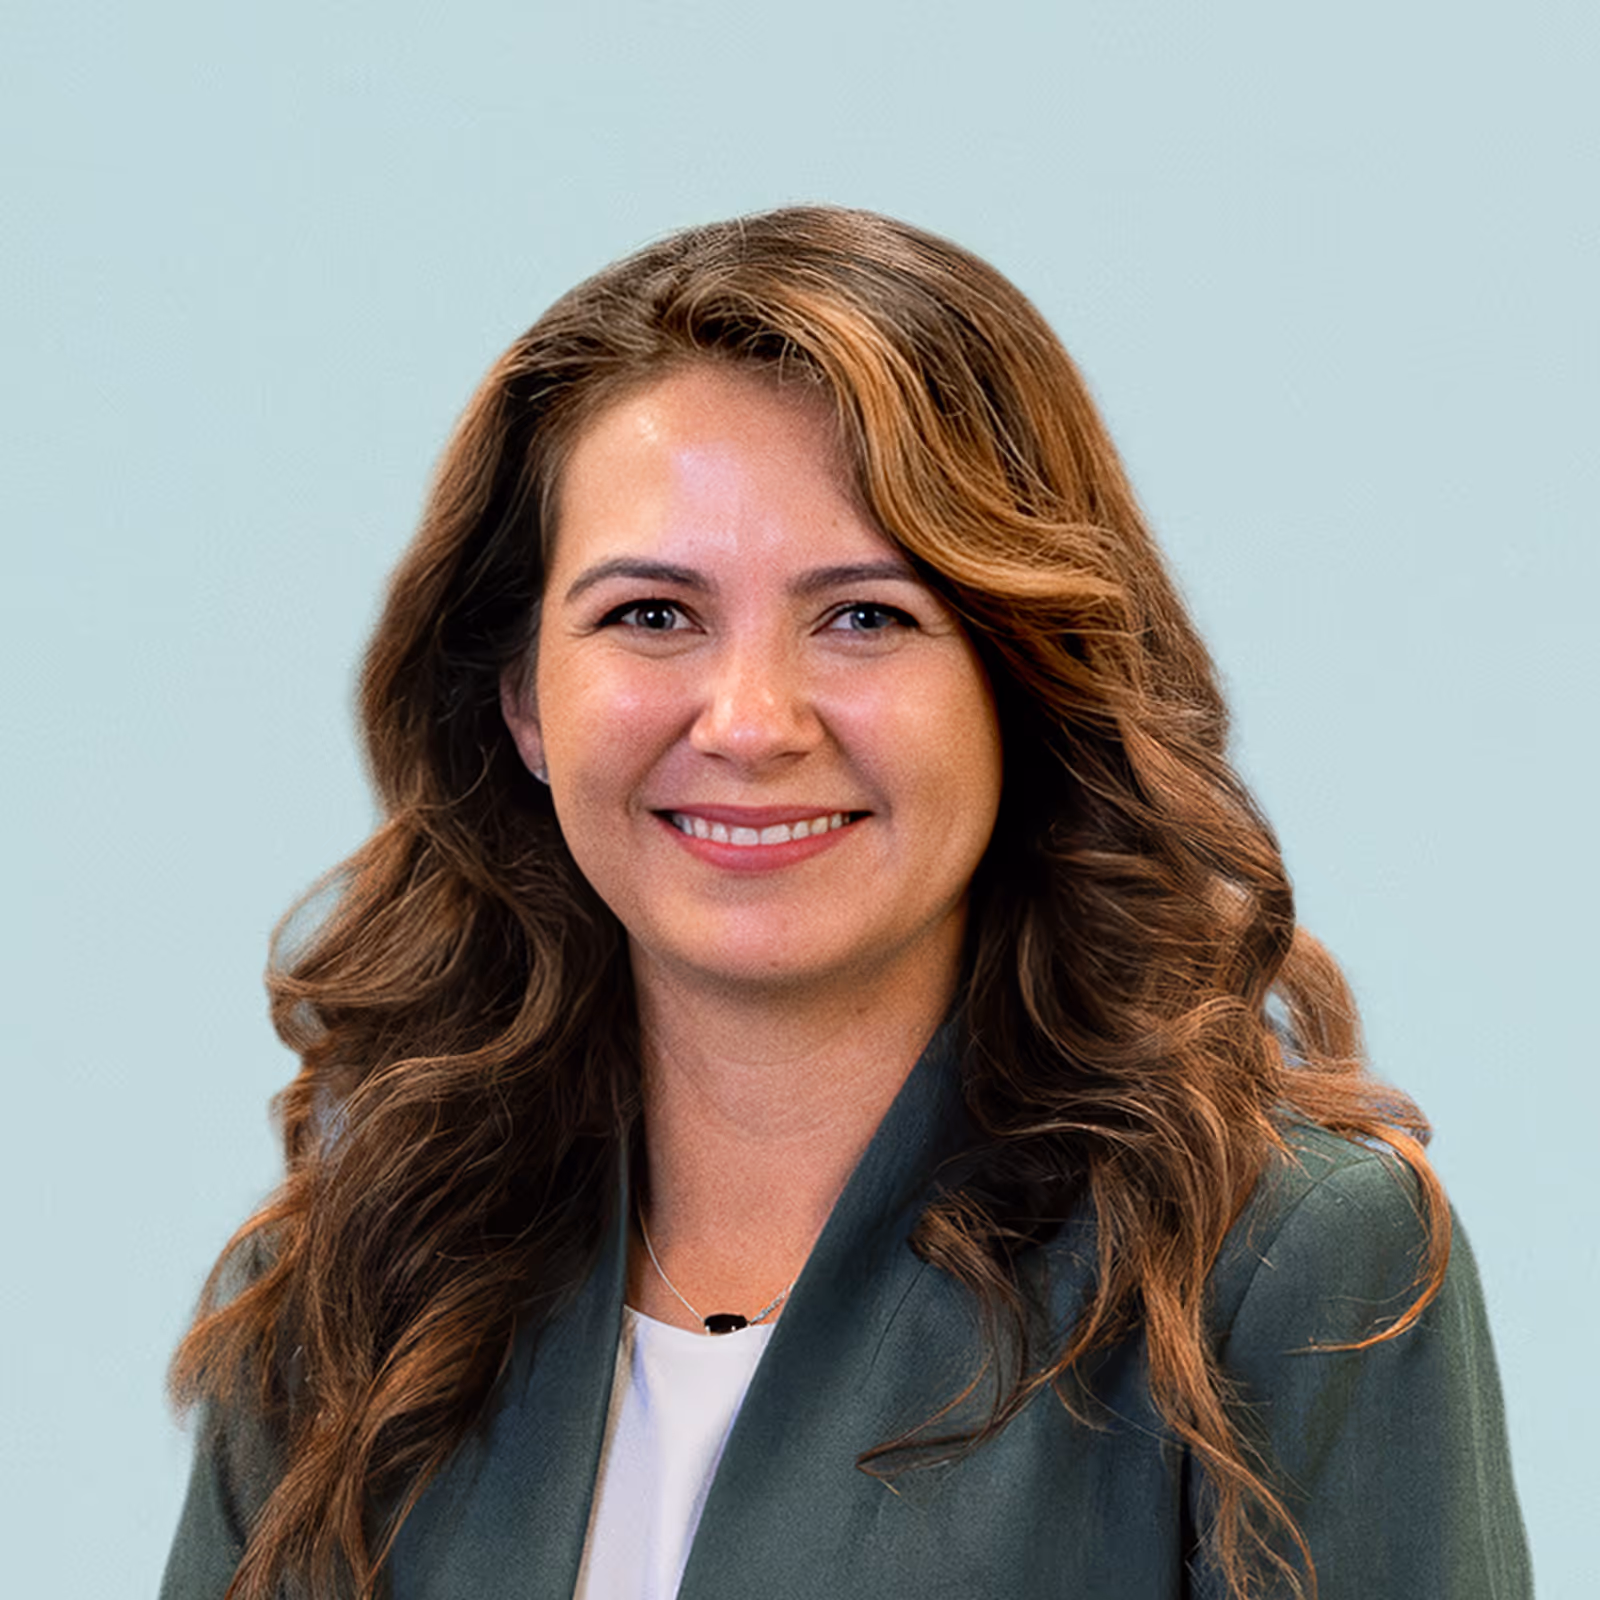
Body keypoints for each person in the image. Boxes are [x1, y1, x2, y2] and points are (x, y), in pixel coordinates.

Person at [161, 206, 1530, 1600]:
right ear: (520, 696)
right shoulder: (361, 1289)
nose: (750, 724)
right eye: (651, 614)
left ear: (1024, 678)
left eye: (865, 616)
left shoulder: (1282, 1264)